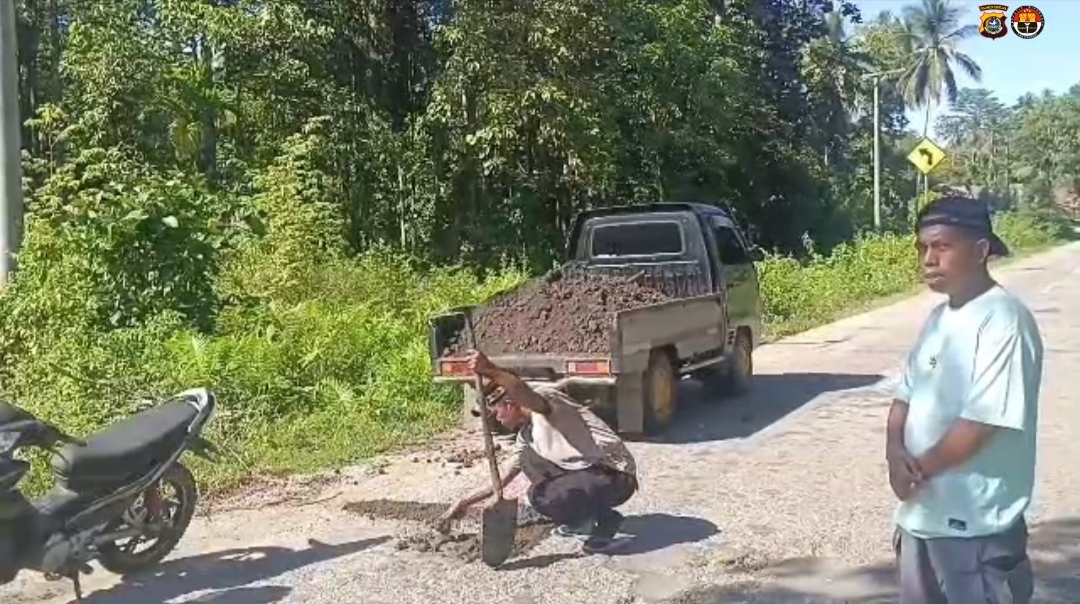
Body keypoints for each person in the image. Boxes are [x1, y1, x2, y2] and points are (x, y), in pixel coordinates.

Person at [886, 196, 1044, 604]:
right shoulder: (938, 319)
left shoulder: (1003, 319)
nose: (928, 259)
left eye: (942, 246)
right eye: (923, 247)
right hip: (921, 521)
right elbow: (904, 396)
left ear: (980, 250)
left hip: (975, 531)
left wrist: (915, 471)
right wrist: (894, 454)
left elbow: (981, 423)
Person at [440, 349, 638, 554]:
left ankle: (606, 526)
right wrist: (463, 503)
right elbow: (500, 480)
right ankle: (582, 519)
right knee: (530, 461)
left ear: (510, 405)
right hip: (589, 475)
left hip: (615, 475)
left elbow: (524, 393)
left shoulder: (545, 402)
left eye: (496, 413)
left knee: (541, 496)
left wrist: (490, 369)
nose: (497, 419)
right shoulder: (526, 436)